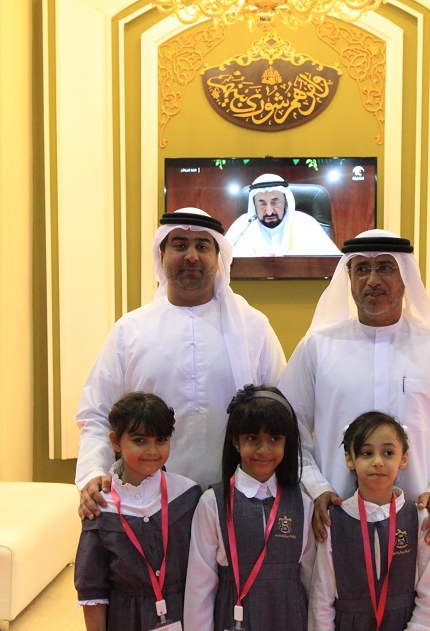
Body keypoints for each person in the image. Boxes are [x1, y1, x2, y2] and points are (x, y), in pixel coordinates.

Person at [278, 229, 430, 631]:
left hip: (420, 526)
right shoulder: (318, 349)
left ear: (405, 278)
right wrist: (317, 487)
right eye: (361, 269)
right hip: (338, 522)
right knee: (330, 629)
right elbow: (289, 430)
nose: (372, 280)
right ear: (349, 278)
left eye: (385, 268)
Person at [76, 208, 286, 519]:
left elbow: (282, 413)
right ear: (161, 255)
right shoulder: (130, 331)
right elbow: (97, 414)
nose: (191, 256)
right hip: (148, 506)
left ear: (218, 257)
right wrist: (92, 471)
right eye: (179, 245)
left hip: (237, 502)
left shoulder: (253, 328)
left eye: (202, 246)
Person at [183, 385, 315, 631]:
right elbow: (200, 584)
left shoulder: (302, 503)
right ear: (235, 441)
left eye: (274, 439)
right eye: (252, 438)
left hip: (289, 627)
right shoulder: (213, 502)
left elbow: (312, 581)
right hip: (234, 624)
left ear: (287, 442)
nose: (263, 450)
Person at [74, 392, 203, 631]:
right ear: (115, 441)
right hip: (126, 629)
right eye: (139, 440)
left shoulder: (188, 495)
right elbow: (92, 592)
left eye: (161, 440)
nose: (152, 451)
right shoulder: (100, 507)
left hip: (185, 619)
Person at [308, 411, 430, 631]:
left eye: (388, 453)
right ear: (349, 459)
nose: (378, 462)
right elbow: (321, 602)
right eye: (367, 453)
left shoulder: (418, 519)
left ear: (404, 458)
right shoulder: (334, 521)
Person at [225, 174, 342, 257]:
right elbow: (221, 262)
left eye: (275, 202)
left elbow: (334, 263)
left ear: (286, 202)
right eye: (262, 203)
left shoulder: (306, 223)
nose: (269, 211)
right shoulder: (242, 226)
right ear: (254, 205)